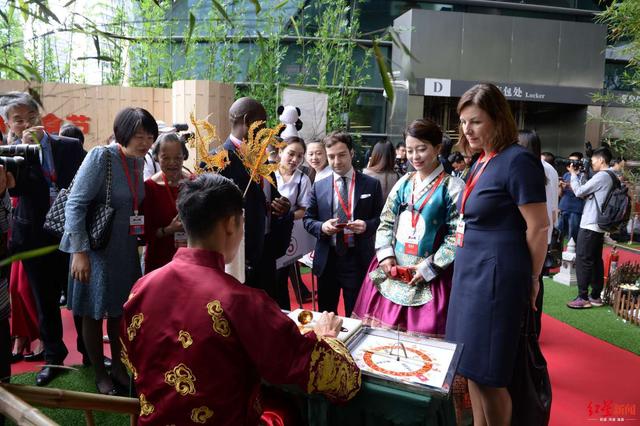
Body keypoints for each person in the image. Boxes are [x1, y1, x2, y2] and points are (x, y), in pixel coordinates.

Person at [121, 174, 361, 425]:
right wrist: (327, 337)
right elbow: (335, 378)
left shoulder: (142, 287)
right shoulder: (240, 302)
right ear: (230, 225)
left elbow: (130, 357)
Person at [445, 83, 549, 425]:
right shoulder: (481, 161)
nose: (467, 130)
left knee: (491, 375)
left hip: (496, 279)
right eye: (463, 122)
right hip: (469, 274)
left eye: (475, 121)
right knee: (471, 369)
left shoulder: (518, 161)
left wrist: (533, 279)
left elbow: (538, 227)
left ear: (498, 119)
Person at [60, 107, 158, 395]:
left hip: (125, 248)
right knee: (93, 311)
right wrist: (79, 251)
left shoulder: (139, 162)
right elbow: (75, 204)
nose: (145, 142)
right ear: (123, 133)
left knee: (118, 311)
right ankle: (100, 372)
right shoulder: (101, 157)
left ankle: (117, 364)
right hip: (95, 249)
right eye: (139, 135)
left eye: (149, 136)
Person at [1, 92, 85, 386]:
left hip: (69, 235)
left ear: (41, 116)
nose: (26, 124)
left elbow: (85, 186)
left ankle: (89, 353)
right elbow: (15, 191)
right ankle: (53, 358)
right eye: (18, 120)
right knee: (44, 302)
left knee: (78, 298)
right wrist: (22, 150)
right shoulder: (13, 153)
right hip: (34, 238)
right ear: (8, 124)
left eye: (31, 117)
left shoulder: (71, 147)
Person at [353, 119, 464, 335]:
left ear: (438, 148)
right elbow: (385, 220)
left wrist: (431, 267)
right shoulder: (404, 181)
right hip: (394, 268)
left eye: (422, 149)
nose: (415, 157)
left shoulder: (453, 187)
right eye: (410, 150)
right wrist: (385, 255)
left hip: (430, 273)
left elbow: (455, 235)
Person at [303, 131, 384, 317]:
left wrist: (367, 226)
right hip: (327, 258)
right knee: (326, 315)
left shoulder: (371, 185)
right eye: (331, 156)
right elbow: (308, 220)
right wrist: (322, 227)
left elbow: (381, 219)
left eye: (342, 155)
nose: (336, 161)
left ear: (352, 153)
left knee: (356, 315)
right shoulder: (319, 185)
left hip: (357, 258)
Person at [219, 97, 291, 292]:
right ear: (247, 120)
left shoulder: (262, 160)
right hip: (237, 258)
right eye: (263, 124)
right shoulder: (218, 160)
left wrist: (283, 206)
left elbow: (270, 196)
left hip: (266, 254)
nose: (267, 131)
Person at [518, 130, 558, 337]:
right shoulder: (549, 168)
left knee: (529, 280)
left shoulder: (523, 168)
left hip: (529, 233)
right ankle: (535, 327)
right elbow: (554, 208)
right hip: (546, 232)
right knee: (537, 279)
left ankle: (527, 328)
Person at [566, 147, 616, 309]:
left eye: (593, 161)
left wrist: (573, 175)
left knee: (583, 259)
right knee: (594, 259)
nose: (592, 163)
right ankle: (595, 296)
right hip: (599, 224)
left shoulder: (602, 176)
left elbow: (580, 192)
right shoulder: (612, 176)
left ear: (601, 160)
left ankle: (583, 297)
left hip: (590, 223)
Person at [142, 133, 191, 273]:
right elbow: (145, 234)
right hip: (160, 263)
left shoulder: (195, 183)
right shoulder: (149, 187)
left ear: (184, 156)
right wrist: (169, 229)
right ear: (157, 157)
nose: (172, 163)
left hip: (189, 262)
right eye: (166, 158)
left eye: (177, 158)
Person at [273, 136, 312, 309]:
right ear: (280, 152)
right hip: (266, 231)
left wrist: (287, 215)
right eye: (291, 154)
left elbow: (305, 210)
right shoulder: (267, 173)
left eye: (299, 156)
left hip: (287, 234)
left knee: (281, 279)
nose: (295, 159)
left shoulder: (303, 179)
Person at [558, 152, 585, 244]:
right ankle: (557, 254)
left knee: (572, 236)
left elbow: (582, 193)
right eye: (570, 160)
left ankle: (571, 256)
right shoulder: (566, 175)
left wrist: (570, 186)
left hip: (575, 209)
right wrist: (561, 187)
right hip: (563, 207)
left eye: (574, 161)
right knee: (558, 234)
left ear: (579, 162)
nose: (571, 163)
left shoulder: (583, 176)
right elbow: (561, 195)